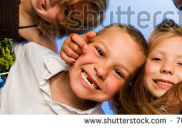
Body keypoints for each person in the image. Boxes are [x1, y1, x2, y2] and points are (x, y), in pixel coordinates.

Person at [61, 20, 182, 114]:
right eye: (157, 59)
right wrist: (75, 52)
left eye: (181, 63)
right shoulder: (124, 95)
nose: (167, 68)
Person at [0, 23, 147, 114]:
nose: (101, 71)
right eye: (100, 52)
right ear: (84, 42)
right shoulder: (37, 55)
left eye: (118, 72)